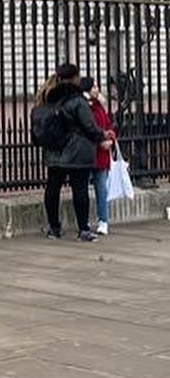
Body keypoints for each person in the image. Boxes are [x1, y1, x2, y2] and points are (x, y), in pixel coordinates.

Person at [35, 60, 105, 242]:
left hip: (54, 151)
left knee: (53, 188)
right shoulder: (77, 101)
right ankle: (83, 229)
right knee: (80, 189)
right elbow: (89, 126)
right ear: (74, 78)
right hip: (77, 151)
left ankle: (54, 227)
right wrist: (102, 135)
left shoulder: (48, 98)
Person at [81, 75, 117, 236]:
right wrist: (100, 141)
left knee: (101, 189)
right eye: (94, 87)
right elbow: (86, 129)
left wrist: (110, 139)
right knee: (83, 190)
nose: (97, 89)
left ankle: (103, 220)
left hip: (102, 154)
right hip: (89, 153)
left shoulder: (99, 107)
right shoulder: (84, 107)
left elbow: (108, 125)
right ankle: (84, 221)